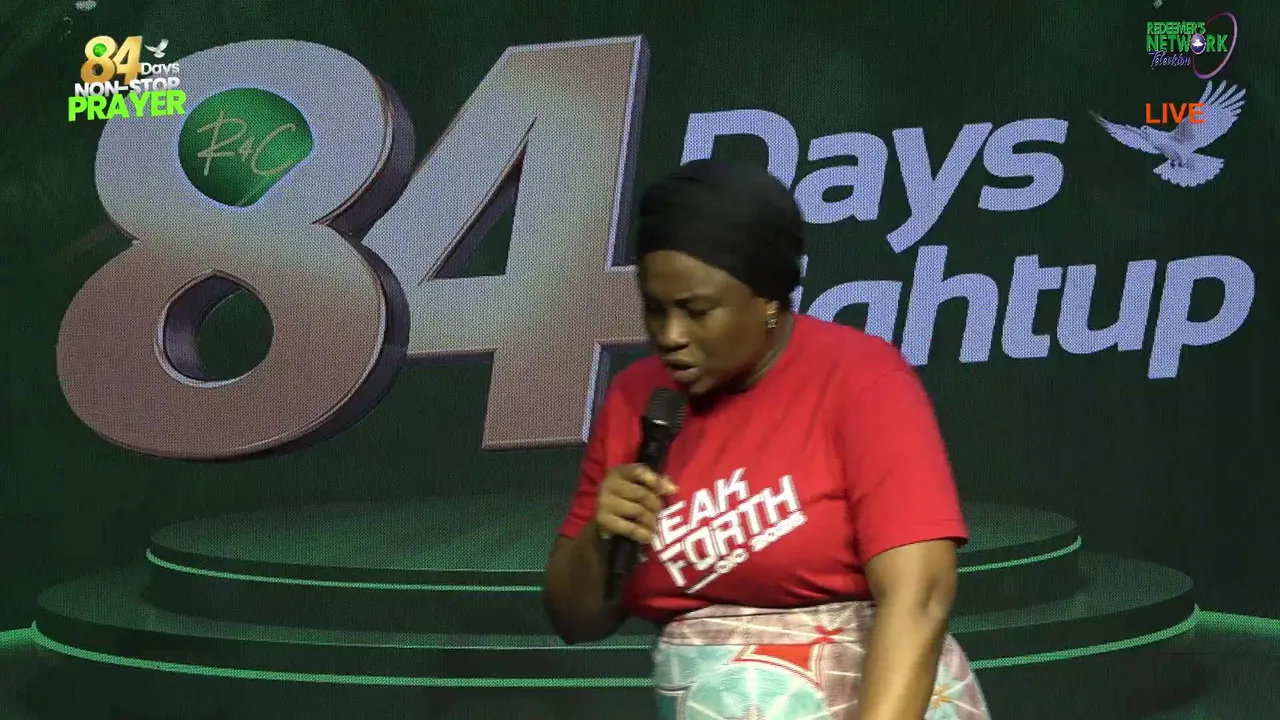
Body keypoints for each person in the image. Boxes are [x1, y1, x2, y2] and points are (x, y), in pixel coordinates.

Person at [543, 158, 991, 720]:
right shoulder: (638, 398)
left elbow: (918, 594)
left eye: (697, 311)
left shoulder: (860, 377)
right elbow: (575, 621)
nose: (670, 336)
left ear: (769, 299)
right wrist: (599, 537)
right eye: (655, 309)